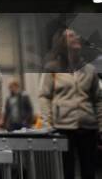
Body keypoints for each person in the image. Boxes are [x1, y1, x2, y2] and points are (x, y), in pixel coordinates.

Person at [39, 27, 102, 179]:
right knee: (66, 172)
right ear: (62, 42)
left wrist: (101, 125)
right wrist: (48, 124)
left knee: (89, 171)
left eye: (77, 35)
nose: (77, 38)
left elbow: (98, 100)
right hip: (62, 128)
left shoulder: (90, 70)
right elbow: (44, 96)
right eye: (71, 36)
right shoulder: (52, 68)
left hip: (88, 127)